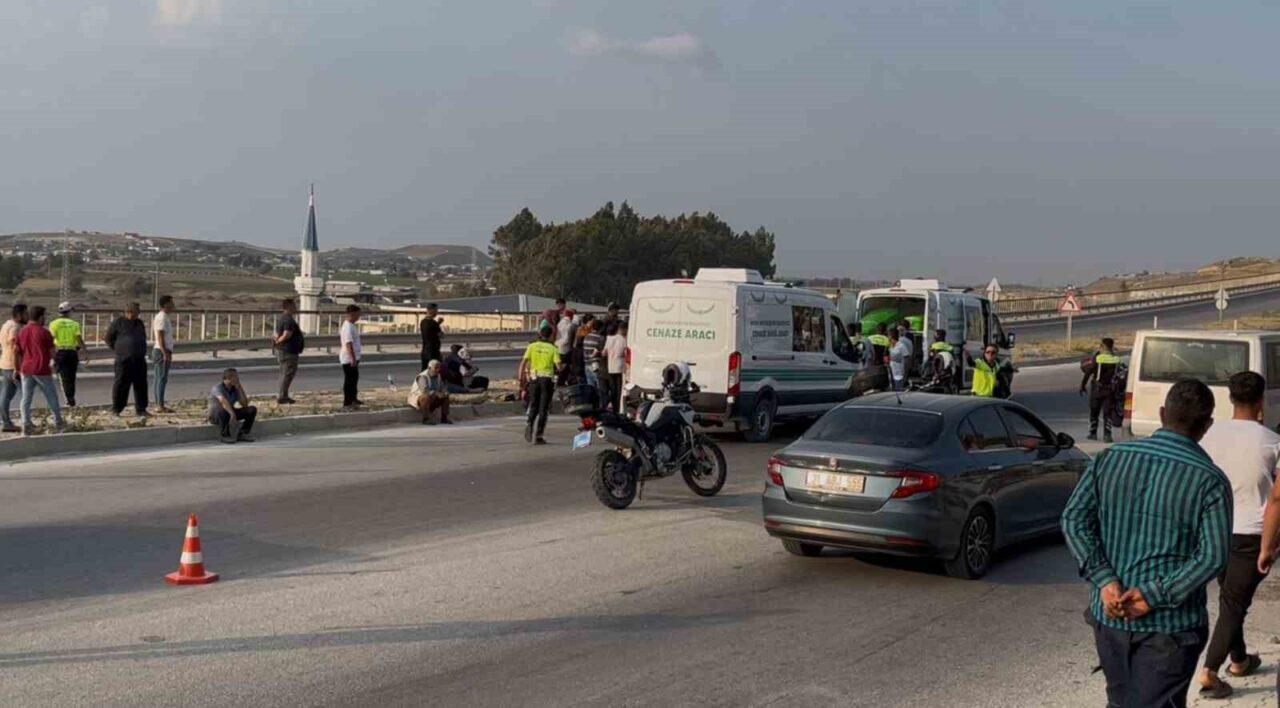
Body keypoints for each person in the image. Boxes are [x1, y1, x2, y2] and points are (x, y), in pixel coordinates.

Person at [1062, 379, 1231, 708]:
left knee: (1120, 701)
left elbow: (1073, 519)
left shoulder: (1111, 458)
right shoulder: (1210, 479)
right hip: (1171, 629)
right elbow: (1212, 557)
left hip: (1110, 616)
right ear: (1207, 425)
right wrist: (1153, 595)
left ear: (1162, 413)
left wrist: (1105, 581)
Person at [1194, 371, 1280, 699]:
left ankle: (1240, 660)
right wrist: (1268, 547)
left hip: (1211, 530)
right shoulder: (1273, 441)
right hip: (1251, 535)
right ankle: (1209, 670)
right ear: (1260, 401)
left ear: (1229, 399)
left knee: (1231, 597)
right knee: (1234, 603)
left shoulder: (1206, 435)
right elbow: (1276, 498)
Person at [14, 306, 65, 436]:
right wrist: (57, 362)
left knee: (26, 398)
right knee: (51, 396)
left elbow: (17, 352)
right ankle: (58, 422)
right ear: (40, 317)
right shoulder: (44, 332)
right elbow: (52, 352)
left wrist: (17, 369)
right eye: (45, 316)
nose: (45, 318)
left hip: (26, 369)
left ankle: (26, 424)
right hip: (41, 369)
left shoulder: (21, 332)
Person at [104, 302, 149, 418]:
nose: (138, 313)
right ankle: (116, 409)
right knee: (121, 384)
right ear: (129, 311)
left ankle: (141, 409)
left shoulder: (139, 323)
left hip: (139, 358)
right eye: (137, 311)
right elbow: (108, 339)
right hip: (123, 359)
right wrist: (119, 349)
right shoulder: (118, 323)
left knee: (141, 384)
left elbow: (143, 337)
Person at [520, 325, 561, 444]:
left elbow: (524, 362)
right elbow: (558, 366)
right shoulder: (552, 348)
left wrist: (522, 377)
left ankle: (529, 422)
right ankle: (539, 435)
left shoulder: (532, 346)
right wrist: (562, 367)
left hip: (534, 378)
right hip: (547, 380)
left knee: (534, 404)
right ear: (550, 335)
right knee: (543, 408)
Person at [1082, 337, 1122, 443]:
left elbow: (1088, 372)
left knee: (1094, 411)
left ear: (1103, 346)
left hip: (1097, 389)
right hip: (1110, 390)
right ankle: (1107, 435)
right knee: (1107, 413)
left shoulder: (1098, 358)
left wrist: (1082, 386)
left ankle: (1093, 433)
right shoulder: (1116, 359)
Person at [48, 302, 87, 408]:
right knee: (71, 377)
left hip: (60, 352)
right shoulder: (74, 324)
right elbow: (79, 339)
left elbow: (50, 340)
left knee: (62, 377)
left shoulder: (53, 324)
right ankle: (71, 397)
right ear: (69, 311)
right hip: (72, 353)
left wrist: (50, 355)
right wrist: (85, 351)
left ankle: (69, 400)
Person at [209, 368, 256, 444]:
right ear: (227, 379)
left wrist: (240, 389)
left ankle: (243, 433)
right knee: (222, 411)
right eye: (234, 377)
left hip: (230, 412)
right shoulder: (218, 388)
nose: (237, 379)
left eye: (237, 377)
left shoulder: (235, 388)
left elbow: (244, 404)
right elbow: (223, 401)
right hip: (217, 415)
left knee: (251, 410)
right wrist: (232, 413)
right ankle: (224, 435)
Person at [0, 304, 27, 432]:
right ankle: (26, 422)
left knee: (6, 395)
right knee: (26, 394)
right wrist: (18, 367)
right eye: (26, 314)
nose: (27, 316)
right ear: (19, 315)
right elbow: (14, 345)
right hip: (14, 365)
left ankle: (6, 423)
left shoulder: (6, 324)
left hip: (5, 363)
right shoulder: (15, 328)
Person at [272, 298, 304, 404]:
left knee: (284, 373)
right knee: (287, 374)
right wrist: (279, 341)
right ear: (289, 306)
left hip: (283, 350)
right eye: (294, 305)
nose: (296, 307)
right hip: (288, 351)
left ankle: (283, 394)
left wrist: (277, 341)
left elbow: (276, 333)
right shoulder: (289, 320)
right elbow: (286, 334)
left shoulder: (281, 318)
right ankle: (282, 396)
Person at [152, 295, 176, 413]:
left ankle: (158, 403)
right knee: (161, 378)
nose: (173, 305)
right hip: (161, 351)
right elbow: (160, 337)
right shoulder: (162, 318)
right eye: (171, 303)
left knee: (159, 378)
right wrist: (165, 352)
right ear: (165, 304)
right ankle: (159, 405)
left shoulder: (164, 317)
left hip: (162, 351)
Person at [409, 359, 451, 424]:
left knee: (445, 397)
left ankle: (444, 418)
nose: (438, 370)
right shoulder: (422, 377)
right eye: (436, 368)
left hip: (433, 397)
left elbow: (442, 387)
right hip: (418, 398)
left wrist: (444, 392)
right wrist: (437, 393)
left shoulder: (438, 375)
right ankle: (425, 419)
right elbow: (425, 390)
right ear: (429, 368)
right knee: (425, 397)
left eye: (439, 368)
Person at [339, 304, 362, 410]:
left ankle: (353, 399)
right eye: (358, 314)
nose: (359, 316)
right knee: (349, 381)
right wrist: (352, 358)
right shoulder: (347, 327)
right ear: (352, 314)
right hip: (348, 359)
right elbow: (348, 344)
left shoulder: (352, 325)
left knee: (354, 379)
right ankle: (347, 402)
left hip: (354, 357)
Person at [603, 321, 628, 411]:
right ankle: (618, 407)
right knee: (619, 389)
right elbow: (625, 354)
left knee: (613, 388)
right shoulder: (624, 340)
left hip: (610, 366)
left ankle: (612, 405)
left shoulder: (609, 338)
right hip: (620, 367)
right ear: (624, 329)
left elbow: (604, 353)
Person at [582, 318, 606, 389]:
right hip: (596, 365)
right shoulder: (601, 338)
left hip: (587, 364)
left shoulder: (587, 336)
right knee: (600, 388)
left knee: (591, 388)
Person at [419, 303, 443, 373]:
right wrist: (438, 324)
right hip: (433, 351)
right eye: (436, 310)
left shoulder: (423, 322)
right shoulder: (433, 323)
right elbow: (440, 335)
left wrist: (438, 323)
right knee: (435, 370)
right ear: (431, 310)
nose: (437, 312)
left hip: (425, 350)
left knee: (425, 370)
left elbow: (430, 331)